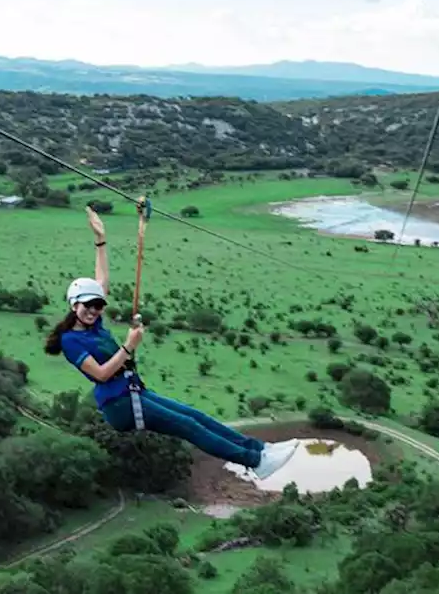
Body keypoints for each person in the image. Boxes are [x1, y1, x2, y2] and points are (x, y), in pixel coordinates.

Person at [42, 205, 299, 481]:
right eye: (87, 306)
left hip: (132, 391)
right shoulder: (71, 340)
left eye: (97, 306)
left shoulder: (95, 325)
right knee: (189, 426)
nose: (93, 310)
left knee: (197, 416)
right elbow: (101, 374)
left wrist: (100, 239)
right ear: (73, 305)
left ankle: (260, 450)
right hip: (119, 404)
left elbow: (101, 282)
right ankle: (256, 462)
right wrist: (129, 346)